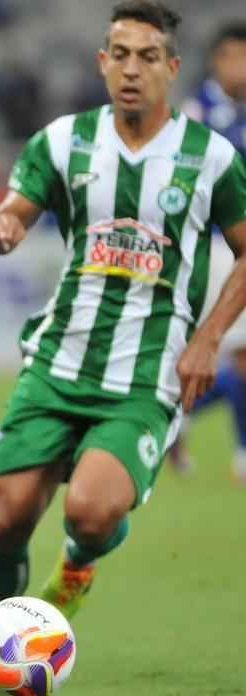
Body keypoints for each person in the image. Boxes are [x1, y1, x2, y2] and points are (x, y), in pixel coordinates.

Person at [0, 0, 246, 695]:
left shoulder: (210, 158)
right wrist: (2, 228)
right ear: (101, 62)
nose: (131, 69)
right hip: (59, 360)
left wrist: (207, 339)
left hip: (147, 373)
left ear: (172, 69)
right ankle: (5, 639)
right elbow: (17, 210)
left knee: (89, 513)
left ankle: (78, 566)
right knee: (5, 518)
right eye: (119, 54)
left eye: (147, 57)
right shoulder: (62, 141)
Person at [169, 22, 246, 482]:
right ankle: (242, 453)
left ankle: (182, 416)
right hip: (217, 246)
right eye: (234, 58)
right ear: (217, 61)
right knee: (241, 358)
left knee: (234, 362)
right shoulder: (196, 112)